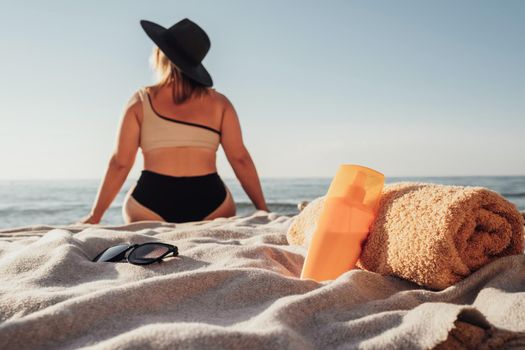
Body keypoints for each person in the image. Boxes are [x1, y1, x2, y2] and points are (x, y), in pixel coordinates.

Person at [78, 18, 268, 224]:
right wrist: (263, 209)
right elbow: (240, 159)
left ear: (161, 55)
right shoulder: (220, 103)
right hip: (212, 202)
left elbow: (120, 164)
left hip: (149, 203)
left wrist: (95, 216)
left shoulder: (140, 101)